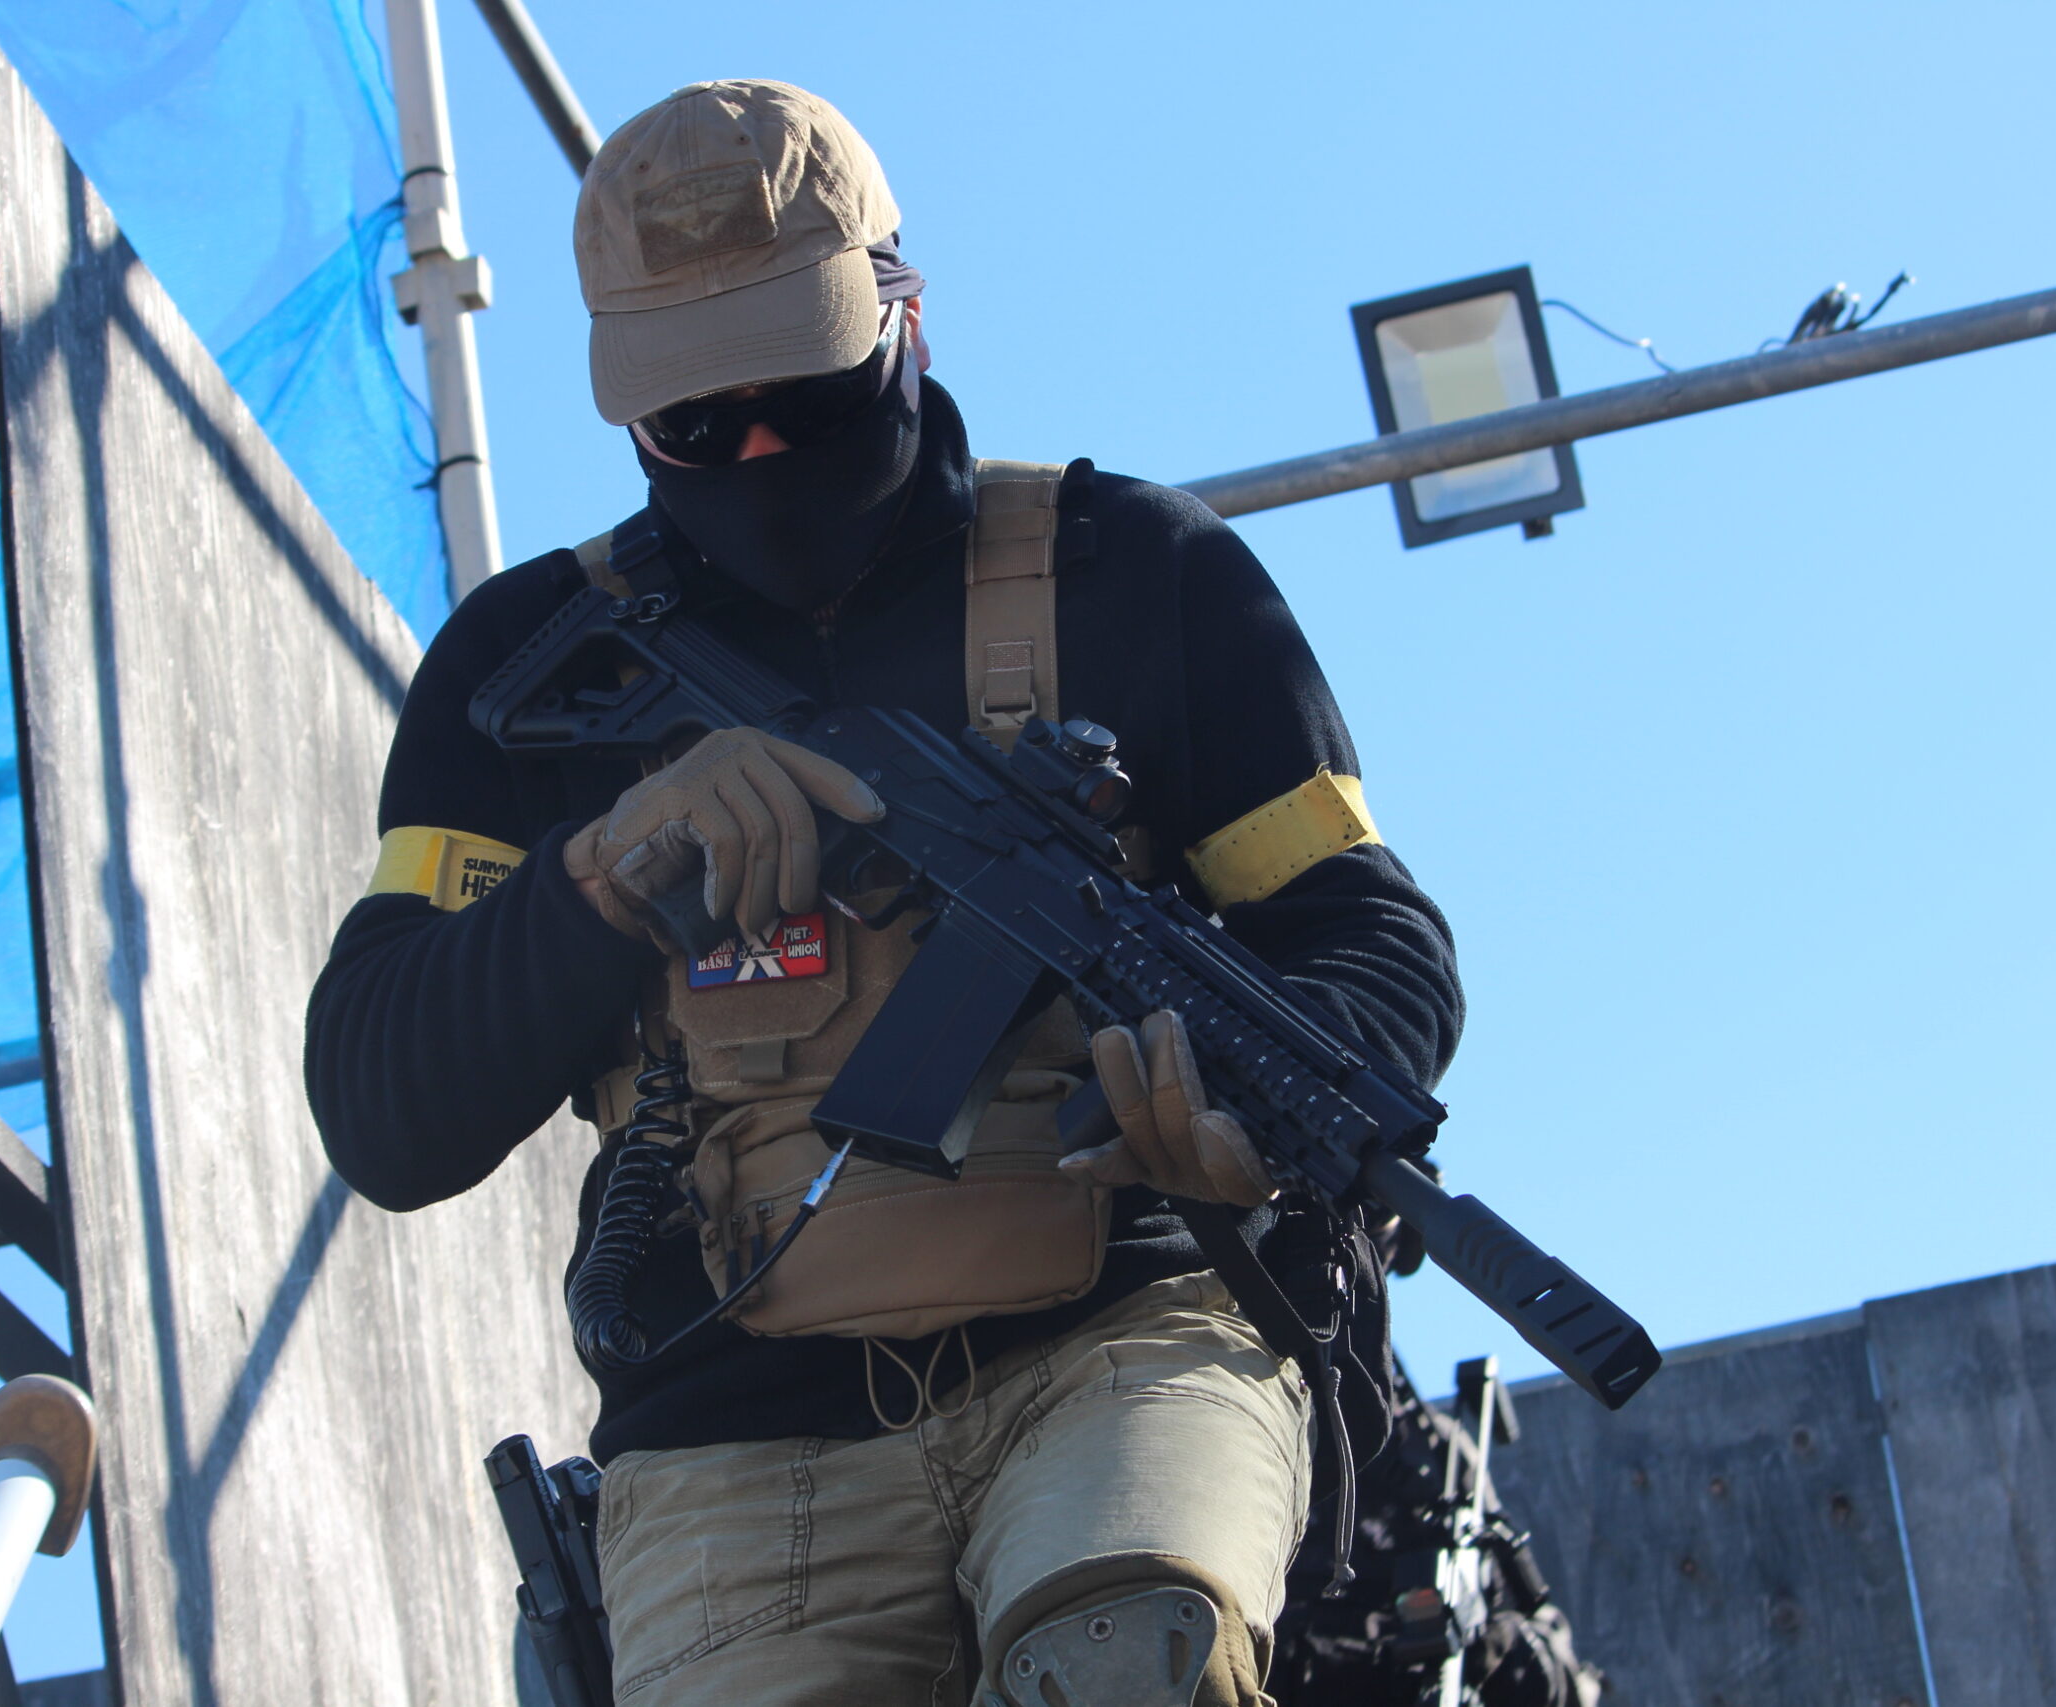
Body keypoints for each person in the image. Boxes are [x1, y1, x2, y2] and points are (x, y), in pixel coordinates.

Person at [305, 78, 1462, 1707]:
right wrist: (604, 878)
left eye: (805, 387)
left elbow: (1371, 940)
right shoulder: (530, 665)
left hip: (1122, 1340)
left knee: (1128, 1671)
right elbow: (381, 1104)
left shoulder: (1134, 569)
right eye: (696, 424)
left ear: (903, 311)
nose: (759, 448)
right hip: (732, 1435)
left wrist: (1240, 1115)